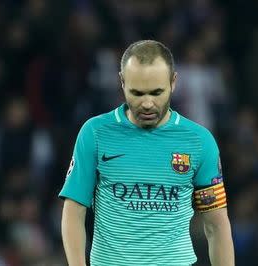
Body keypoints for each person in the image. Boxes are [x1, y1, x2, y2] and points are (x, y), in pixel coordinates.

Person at [59, 40, 235, 266]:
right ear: (122, 82)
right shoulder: (95, 133)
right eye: (137, 93)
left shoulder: (199, 141)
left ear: (173, 82)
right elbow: (74, 211)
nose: (147, 103)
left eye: (156, 92)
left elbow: (216, 224)